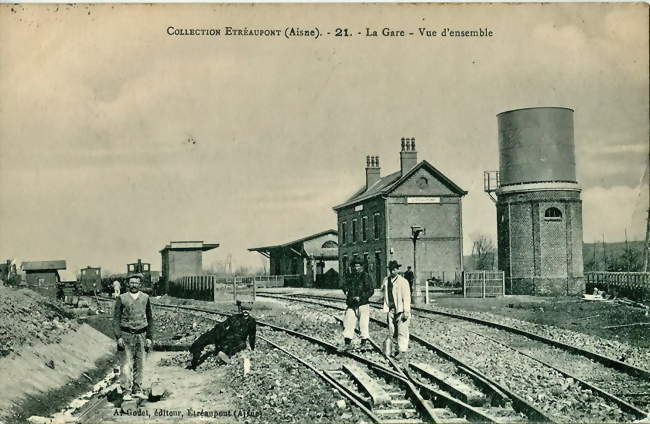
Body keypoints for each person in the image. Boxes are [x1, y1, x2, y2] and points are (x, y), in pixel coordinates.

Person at [112, 274, 153, 401]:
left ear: (140, 284)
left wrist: (149, 337)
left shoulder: (145, 298)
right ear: (127, 284)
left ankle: (137, 389)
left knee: (140, 363)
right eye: (132, 282)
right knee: (126, 363)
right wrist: (118, 336)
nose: (134, 285)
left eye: (136, 283)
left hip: (141, 334)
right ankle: (126, 391)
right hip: (126, 335)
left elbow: (150, 318)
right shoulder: (122, 298)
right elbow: (116, 319)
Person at [189, 300, 256, 370]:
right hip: (229, 337)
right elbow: (223, 325)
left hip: (239, 340)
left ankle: (225, 355)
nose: (245, 311)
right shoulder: (234, 317)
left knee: (241, 345)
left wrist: (252, 348)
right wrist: (216, 333)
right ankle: (195, 357)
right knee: (208, 338)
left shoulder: (252, 321)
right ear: (241, 310)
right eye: (244, 309)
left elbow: (252, 335)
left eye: (247, 310)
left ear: (250, 311)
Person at [340, 260, 375, 351]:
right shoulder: (351, 276)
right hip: (352, 304)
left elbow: (370, 290)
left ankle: (363, 344)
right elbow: (344, 285)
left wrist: (361, 297)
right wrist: (346, 290)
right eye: (354, 266)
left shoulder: (366, 276)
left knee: (363, 324)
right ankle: (347, 343)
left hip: (363, 304)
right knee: (348, 322)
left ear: (362, 267)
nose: (356, 268)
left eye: (358, 266)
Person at [381, 260, 411, 359]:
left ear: (398, 269)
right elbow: (383, 291)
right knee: (392, 331)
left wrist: (406, 311)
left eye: (395, 269)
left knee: (402, 330)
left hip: (401, 310)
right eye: (391, 269)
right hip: (391, 309)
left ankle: (402, 351)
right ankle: (394, 349)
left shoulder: (403, 281)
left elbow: (406, 297)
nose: (393, 271)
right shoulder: (386, 280)